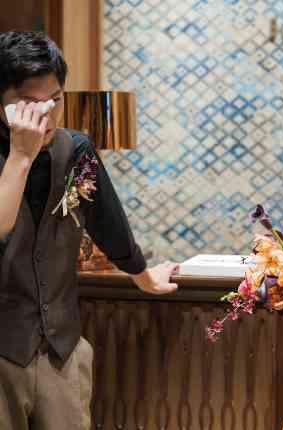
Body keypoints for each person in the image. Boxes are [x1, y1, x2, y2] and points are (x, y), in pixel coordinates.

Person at [0, 31, 178, 430]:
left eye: (55, 100)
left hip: (60, 349)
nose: (46, 116)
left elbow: (108, 223)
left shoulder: (75, 150)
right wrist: (20, 157)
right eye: (29, 103)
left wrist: (144, 276)